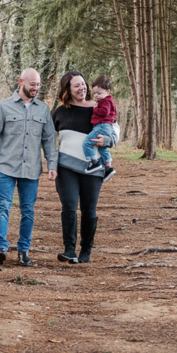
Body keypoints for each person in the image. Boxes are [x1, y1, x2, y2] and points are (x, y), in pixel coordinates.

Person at [0, 68, 57, 267]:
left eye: (38, 85)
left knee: (28, 211)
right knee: (3, 207)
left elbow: (49, 140)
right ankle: (1, 248)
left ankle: (23, 250)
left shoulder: (42, 110)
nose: (36, 88)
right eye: (32, 84)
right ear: (21, 81)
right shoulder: (4, 107)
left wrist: (52, 164)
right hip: (5, 167)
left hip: (31, 169)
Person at [50, 71, 117, 264]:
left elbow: (115, 129)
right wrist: (51, 163)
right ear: (67, 90)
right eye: (76, 86)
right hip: (66, 167)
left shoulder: (99, 106)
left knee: (89, 209)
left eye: (83, 84)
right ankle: (69, 249)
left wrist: (109, 140)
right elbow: (48, 138)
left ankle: (86, 249)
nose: (82, 88)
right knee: (69, 206)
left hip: (93, 167)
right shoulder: (60, 112)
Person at [82, 75, 117, 181]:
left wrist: (95, 109)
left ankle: (94, 162)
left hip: (102, 125)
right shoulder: (107, 100)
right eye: (95, 93)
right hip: (106, 126)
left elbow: (104, 112)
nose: (96, 96)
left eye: (99, 93)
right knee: (102, 148)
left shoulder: (105, 101)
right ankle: (108, 167)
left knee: (87, 143)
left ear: (108, 91)